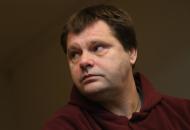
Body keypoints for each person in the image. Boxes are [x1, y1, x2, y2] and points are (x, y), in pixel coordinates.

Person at [43, 4, 190, 130]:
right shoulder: (62, 125)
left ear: (131, 53)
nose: (83, 61)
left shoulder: (183, 112)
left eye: (98, 48)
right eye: (74, 54)